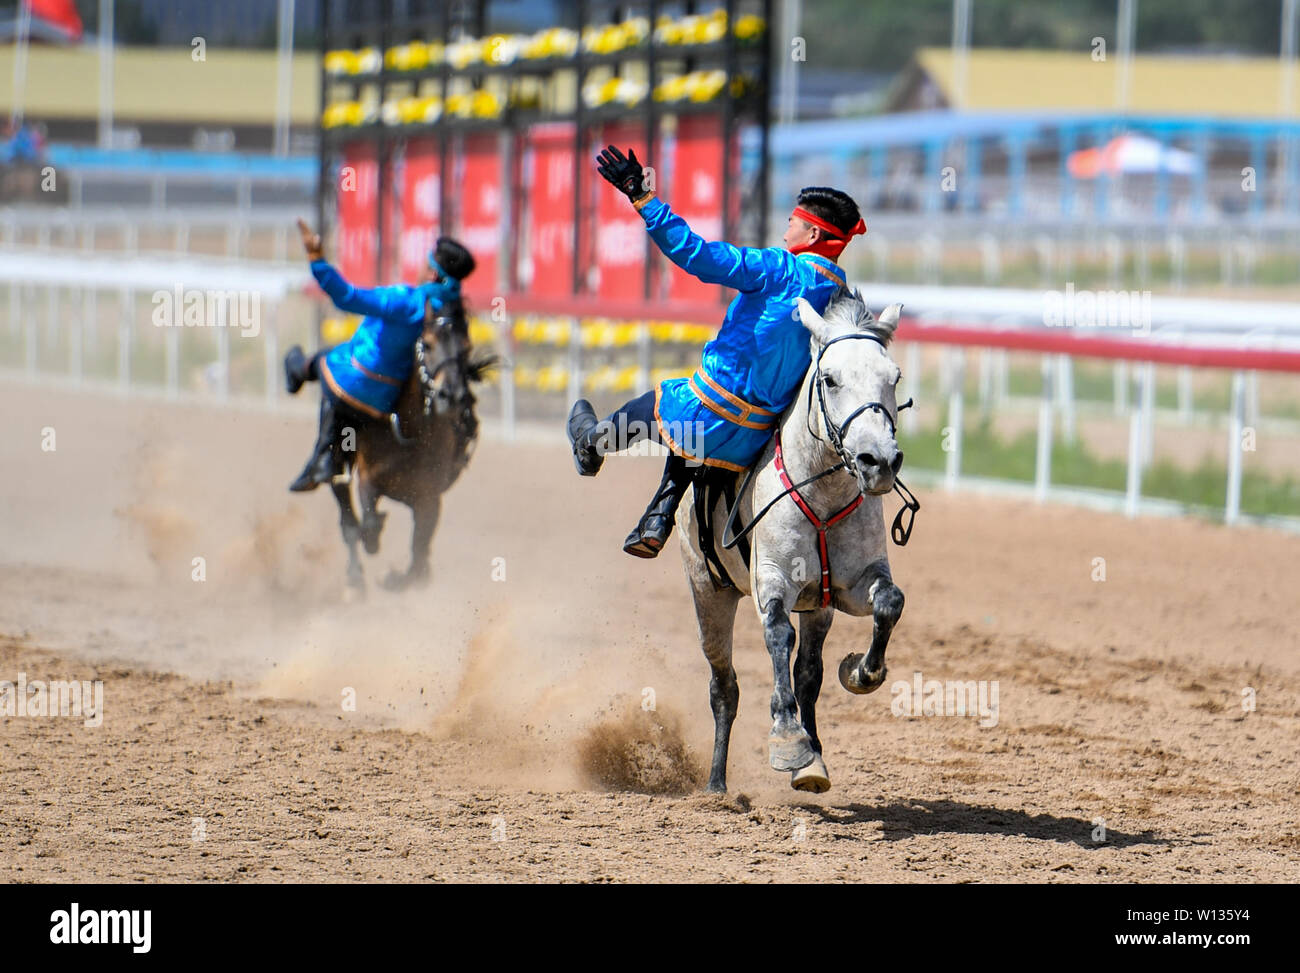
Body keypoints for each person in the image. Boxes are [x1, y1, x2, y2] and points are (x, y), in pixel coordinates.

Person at [567, 145, 866, 558]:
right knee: (696, 435)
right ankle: (659, 514)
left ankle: (591, 444)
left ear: (813, 235)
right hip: (753, 440)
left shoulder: (776, 268)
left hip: (704, 415)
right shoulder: (843, 299)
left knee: (669, 405)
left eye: (792, 224)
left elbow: (697, 255)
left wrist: (642, 197)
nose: (784, 233)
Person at [285, 218, 476, 492]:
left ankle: (324, 457)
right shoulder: (453, 314)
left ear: (433, 274)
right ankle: (327, 456)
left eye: (426, 262)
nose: (421, 266)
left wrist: (317, 259)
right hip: (396, 396)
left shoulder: (404, 301)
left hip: (364, 384)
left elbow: (346, 297)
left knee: (326, 362)